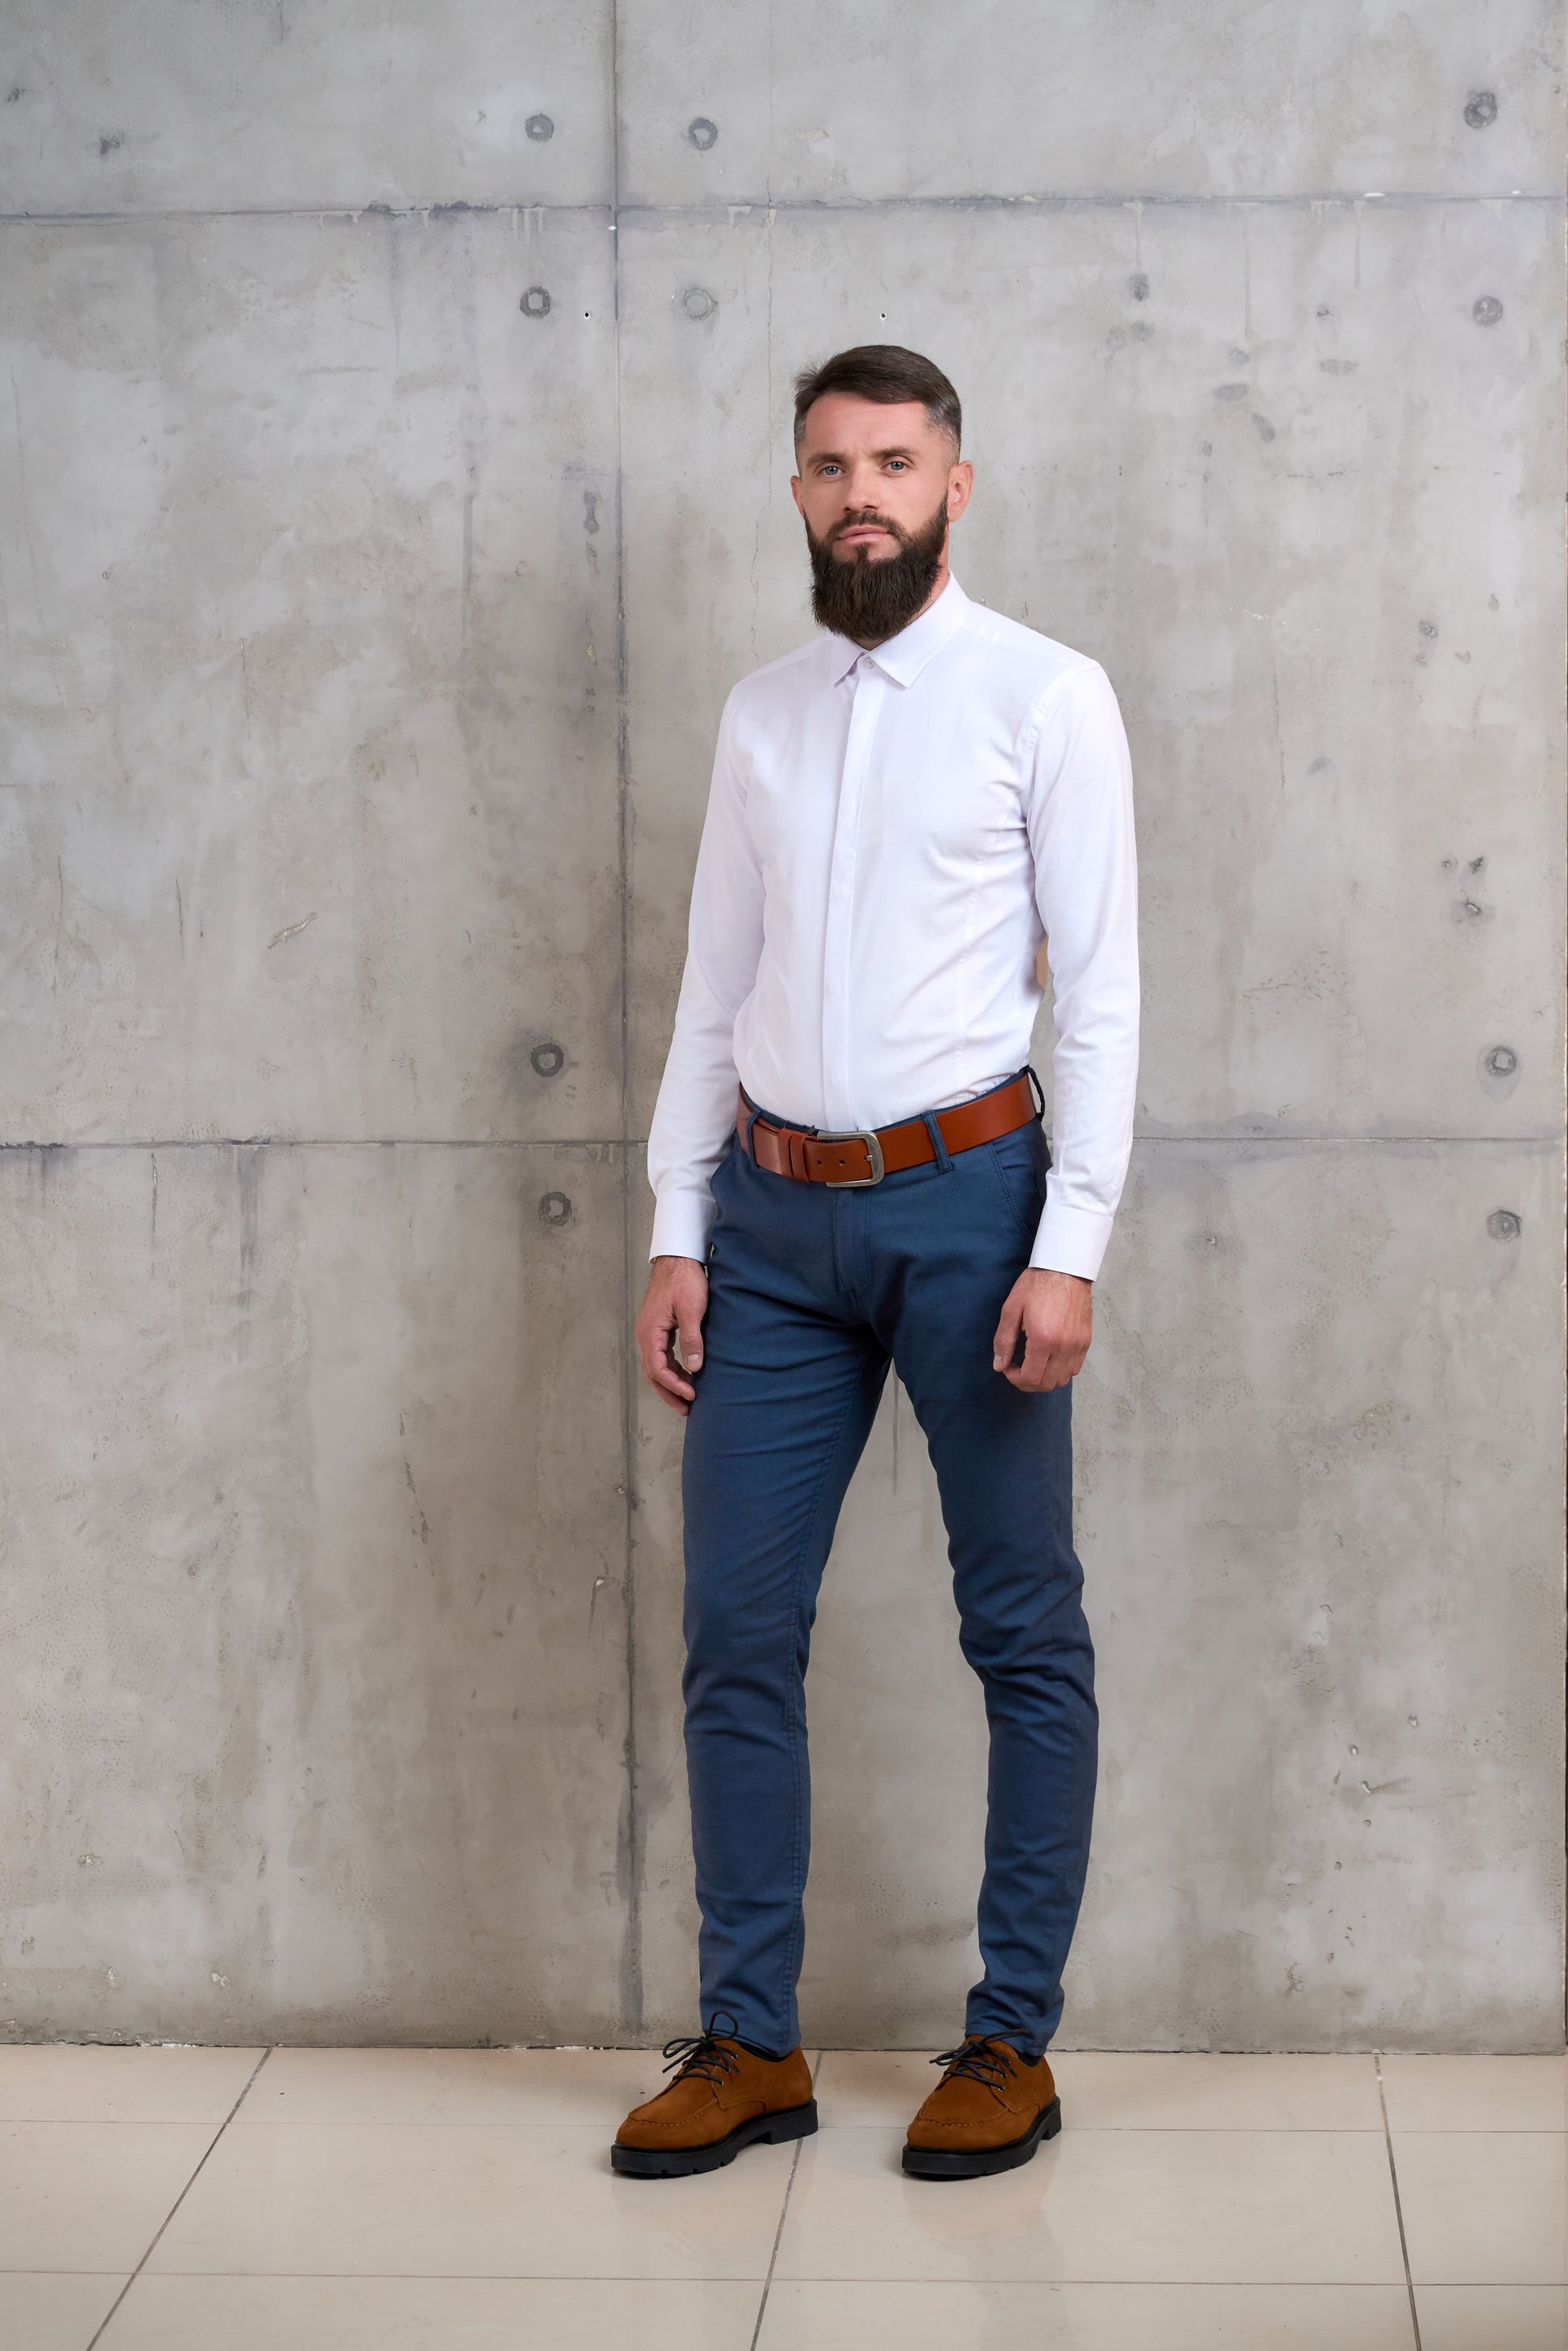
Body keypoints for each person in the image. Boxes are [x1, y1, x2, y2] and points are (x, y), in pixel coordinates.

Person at [612, 346, 1139, 2182]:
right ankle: (753, 2042)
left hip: (971, 1208)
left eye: (895, 464)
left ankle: (1010, 2042)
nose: (863, 496)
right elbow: (714, 986)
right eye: (832, 466)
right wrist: (677, 1225)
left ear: (953, 487)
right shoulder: (760, 712)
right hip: (766, 1227)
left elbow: (1102, 993)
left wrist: (1069, 1245)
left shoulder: (1044, 693)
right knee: (735, 1630)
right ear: (796, 492)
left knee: (1021, 1627)